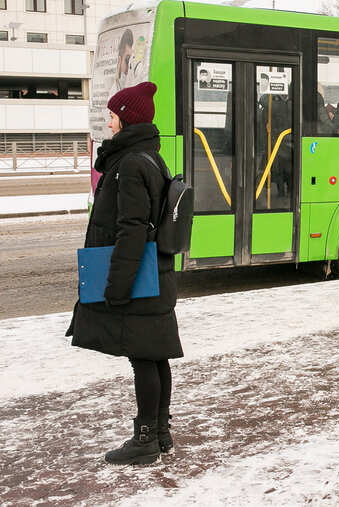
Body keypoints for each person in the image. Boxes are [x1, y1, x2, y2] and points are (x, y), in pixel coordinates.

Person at [66, 82, 183, 465]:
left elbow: (132, 228)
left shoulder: (132, 164)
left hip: (139, 277)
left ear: (127, 119)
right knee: (154, 355)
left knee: (143, 357)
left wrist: (117, 285)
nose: (109, 122)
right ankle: (160, 433)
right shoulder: (149, 157)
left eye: (113, 115)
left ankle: (146, 439)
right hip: (154, 273)